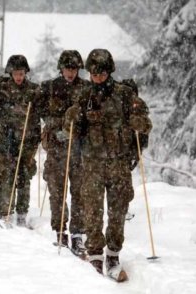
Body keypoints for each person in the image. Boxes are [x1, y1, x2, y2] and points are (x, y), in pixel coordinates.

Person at [65, 49, 152, 280]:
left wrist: (138, 121)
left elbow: (145, 125)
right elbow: (71, 129)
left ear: (109, 71)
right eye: (94, 73)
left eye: (102, 73)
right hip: (92, 165)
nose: (98, 77)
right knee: (93, 213)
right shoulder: (84, 95)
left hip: (119, 165)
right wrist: (71, 119)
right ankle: (95, 257)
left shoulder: (125, 95)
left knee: (117, 213)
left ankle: (113, 255)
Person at [39, 50, 90, 254]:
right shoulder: (50, 87)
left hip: (78, 149)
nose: (71, 72)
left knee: (79, 191)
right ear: (61, 68)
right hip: (56, 148)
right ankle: (60, 231)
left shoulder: (86, 88)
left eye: (74, 69)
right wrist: (57, 126)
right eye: (68, 68)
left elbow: (90, 115)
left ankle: (77, 233)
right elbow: (40, 111)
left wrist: (75, 129)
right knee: (57, 192)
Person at [0, 55, 42, 225]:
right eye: (16, 73)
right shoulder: (2, 90)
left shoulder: (33, 90)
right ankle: (5, 211)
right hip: (6, 141)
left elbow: (40, 113)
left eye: (22, 73)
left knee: (24, 178)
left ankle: (22, 214)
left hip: (27, 141)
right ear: (10, 73)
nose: (19, 77)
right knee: (6, 177)